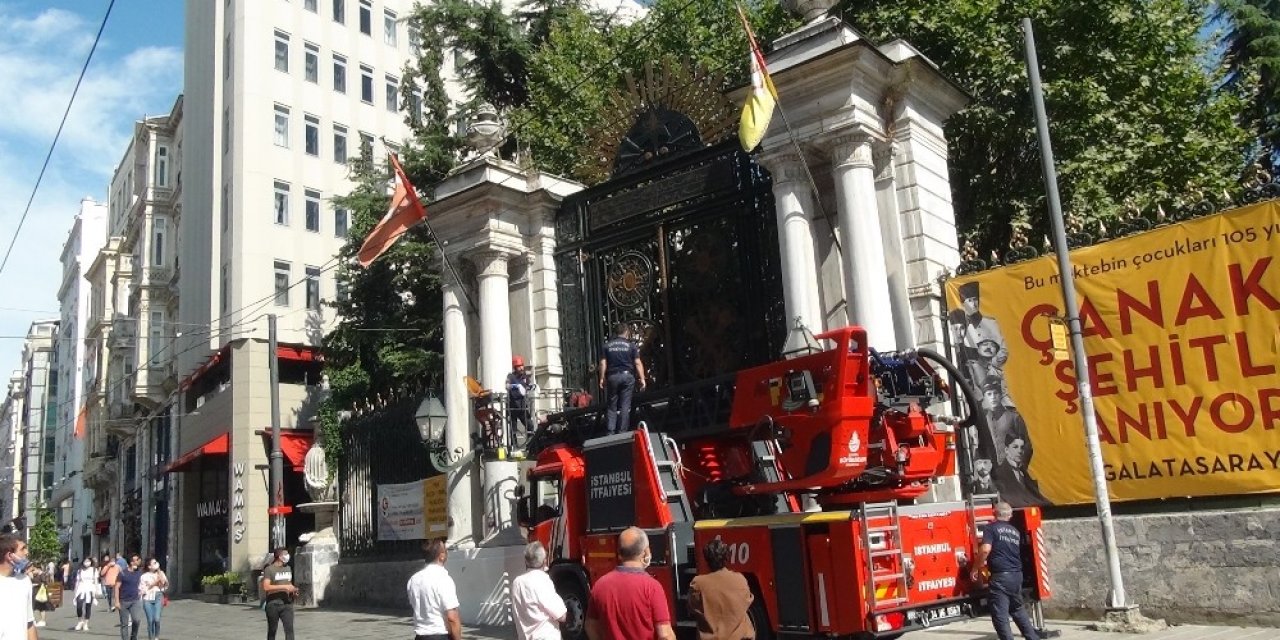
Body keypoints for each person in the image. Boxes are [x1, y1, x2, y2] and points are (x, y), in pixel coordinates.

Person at [585, 527, 674, 640]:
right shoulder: (652, 587)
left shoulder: (600, 585)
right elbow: (665, 635)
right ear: (645, 552)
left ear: (619, 552)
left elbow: (590, 626)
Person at [970, 502, 1040, 640]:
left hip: (1001, 577)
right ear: (1010, 516)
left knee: (1000, 615)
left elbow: (985, 549)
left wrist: (975, 568)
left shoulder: (991, 528)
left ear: (994, 513)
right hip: (1016, 576)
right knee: (1017, 609)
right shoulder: (1015, 531)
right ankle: (1032, 637)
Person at [688, 540, 754, 640]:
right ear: (727, 557)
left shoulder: (698, 584)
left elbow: (691, 608)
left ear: (706, 559)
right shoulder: (740, 579)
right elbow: (748, 600)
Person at [510, 542, 566, 640]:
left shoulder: (516, 582)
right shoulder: (543, 580)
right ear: (544, 561)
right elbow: (561, 616)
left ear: (526, 561)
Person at [598, 323, 647, 435]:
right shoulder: (631, 346)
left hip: (612, 377)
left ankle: (610, 431)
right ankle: (622, 431)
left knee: (612, 405)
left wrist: (602, 378)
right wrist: (642, 378)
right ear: (626, 332)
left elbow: (603, 363)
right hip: (627, 376)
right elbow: (638, 363)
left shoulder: (607, 346)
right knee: (625, 405)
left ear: (616, 332)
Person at [407, 539, 461, 640]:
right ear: (441, 556)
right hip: (439, 634)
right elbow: (452, 617)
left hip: (420, 636)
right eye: (445, 551)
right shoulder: (443, 579)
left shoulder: (413, 579)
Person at [993, 434, 1048, 507]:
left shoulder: (1025, 472)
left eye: (1022, 448)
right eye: (1015, 447)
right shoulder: (999, 473)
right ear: (1006, 450)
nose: (1019, 451)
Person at [0, 533, 37, 640]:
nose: (27, 552)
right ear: (10, 556)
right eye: (23, 549)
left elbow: (29, 622)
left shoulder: (24, 581)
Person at [260, 548, 299, 640]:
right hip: (273, 604)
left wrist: (293, 590)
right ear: (279, 556)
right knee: (272, 630)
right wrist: (284, 587)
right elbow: (266, 587)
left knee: (289, 630)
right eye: (285, 554)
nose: (287, 556)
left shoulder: (288, 568)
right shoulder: (269, 569)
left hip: (287, 603)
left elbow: (288, 583)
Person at [113, 554, 144, 640]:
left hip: (135, 600)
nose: (135, 562)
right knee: (124, 624)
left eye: (137, 560)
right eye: (133, 560)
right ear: (129, 562)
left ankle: (133, 637)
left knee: (136, 620)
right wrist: (116, 601)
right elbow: (117, 587)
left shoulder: (140, 573)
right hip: (124, 601)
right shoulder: (123, 573)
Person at [507, 355, 537, 440]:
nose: (521, 368)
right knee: (513, 429)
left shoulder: (524, 376)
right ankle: (514, 445)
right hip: (513, 406)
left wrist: (533, 386)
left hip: (522, 406)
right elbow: (507, 386)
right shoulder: (510, 376)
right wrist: (516, 386)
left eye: (521, 366)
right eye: (519, 367)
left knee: (530, 426)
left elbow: (528, 385)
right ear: (515, 368)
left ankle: (530, 443)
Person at [138, 559, 168, 640]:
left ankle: (156, 636)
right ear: (149, 566)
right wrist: (154, 584)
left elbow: (164, 585)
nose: (156, 564)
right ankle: (151, 637)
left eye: (156, 562)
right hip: (147, 598)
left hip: (158, 596)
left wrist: (159, 572)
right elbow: (142, 590)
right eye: (154, 563)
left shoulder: (161, 573)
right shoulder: (144, 576)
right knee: (150, 620)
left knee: (157, 619)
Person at [73, 558, 99, 631]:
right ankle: (80, 621)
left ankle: (86, 623)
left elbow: (96, 581)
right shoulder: (80, 570)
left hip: (90, 588)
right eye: (85, 561)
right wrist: (75, 590)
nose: (87, 563)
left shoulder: (94, 570)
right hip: (81, 588)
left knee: (88, 606)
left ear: (91, 562)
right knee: (79, 605)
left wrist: (96, 590)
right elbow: (77, 581)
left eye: (88, 561)